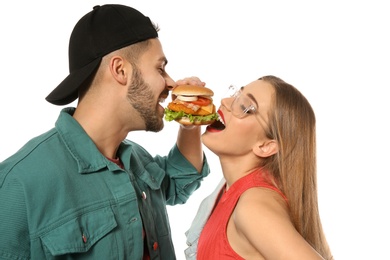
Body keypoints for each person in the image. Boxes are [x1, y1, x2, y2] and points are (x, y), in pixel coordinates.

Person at [0, 4, 211, 260]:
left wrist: (189, 120)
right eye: (160, 68)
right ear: (120, 70)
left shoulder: (136, 159)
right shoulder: (18, 185)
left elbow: (181, 179)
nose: (171, 82)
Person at [185, 75, 333, 259]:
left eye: (245, 107)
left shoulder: (253, 205)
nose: (225, 101)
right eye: (237, 94)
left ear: (266, 146)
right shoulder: (230, 189)